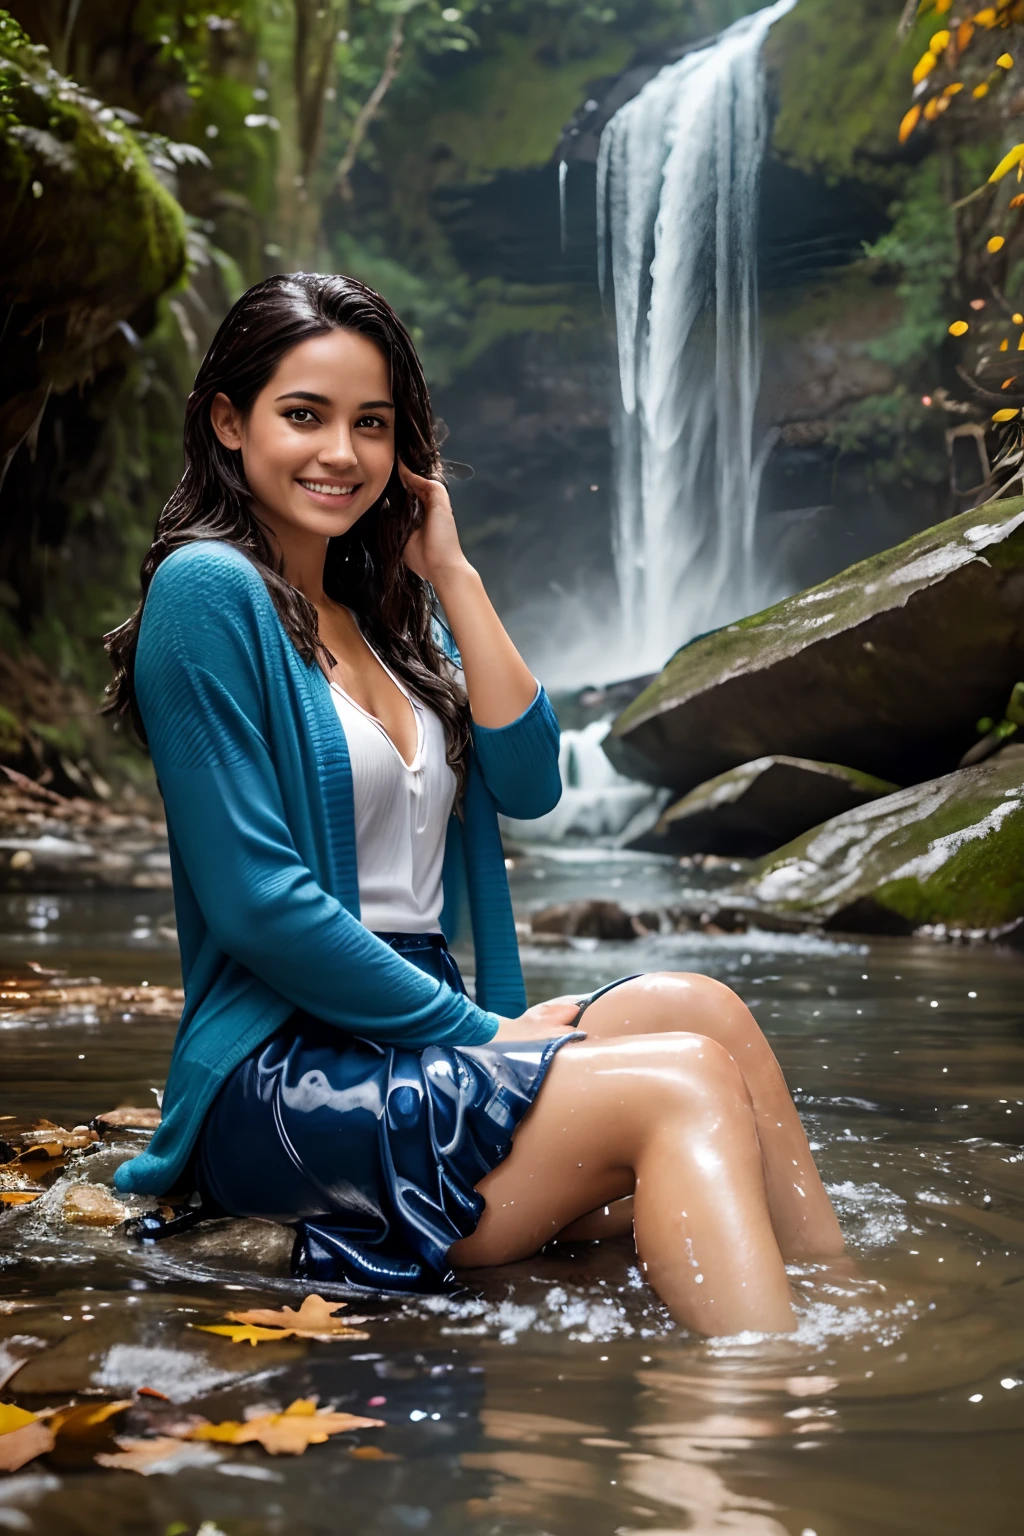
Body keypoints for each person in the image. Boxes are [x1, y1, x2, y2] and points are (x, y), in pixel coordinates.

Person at [104, 272, 843, 1337]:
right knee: (679, 1084)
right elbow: (258, 904)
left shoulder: (395, 626)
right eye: (303, 416)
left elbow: (533, 782)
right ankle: (753, 1424)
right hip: (288, 1069)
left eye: (372, 425)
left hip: (421, 1028)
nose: (341, 454)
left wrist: (450, 573)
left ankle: (847, 1305)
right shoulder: (205, 592)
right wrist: (483, 1033)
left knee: (702, 1011)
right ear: (229, 421)